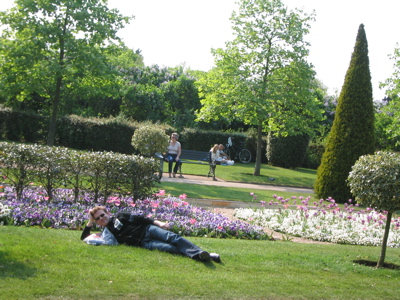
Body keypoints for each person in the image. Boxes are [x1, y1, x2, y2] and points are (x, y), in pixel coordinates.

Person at [80, 206, 222, 263]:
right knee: (170, 248)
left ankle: (202, 254)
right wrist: (90, 220)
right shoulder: (106, 233)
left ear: (107, 213)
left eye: (102, 215)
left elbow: (141, 218)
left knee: (173, 238)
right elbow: (84, 237)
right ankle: (207, 255)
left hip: (148, 229)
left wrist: (158, 223)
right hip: (144, 242)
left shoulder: (120, 215)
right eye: (97, 218)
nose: (101, 219)